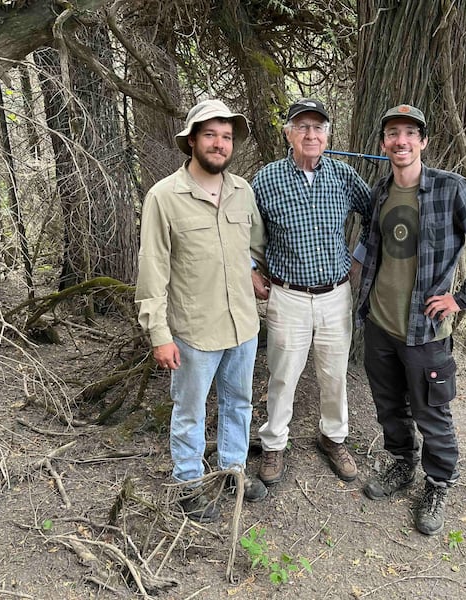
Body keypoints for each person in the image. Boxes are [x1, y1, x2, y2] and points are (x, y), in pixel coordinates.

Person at [356, 104, 466, 535]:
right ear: (383, 143)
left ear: (423, 141)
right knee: (389, 406)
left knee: (431, 411)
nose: (400, 141)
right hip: (380, 324)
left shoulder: (450, 189)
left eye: (409, 133)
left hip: (426, 331)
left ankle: (438, 484)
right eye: (392, 133)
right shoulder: (380, 192)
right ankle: (402, 463)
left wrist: (462, 298)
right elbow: (371, 248)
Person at [135, 99, 270, 523]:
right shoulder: (164, 197)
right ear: (191, 140)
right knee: (190, 411)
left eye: (226, 136)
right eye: (210, 134)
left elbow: (253, 245)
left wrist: (252, 271)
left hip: (243, 325)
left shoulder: (242, 191)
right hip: (193, 331)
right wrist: (159, 335)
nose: (219, 143)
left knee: (239, 403)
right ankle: (189, 483)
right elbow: (152, 270)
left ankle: (233, 471)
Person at [251, 98, 372, 485]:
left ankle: (333, 438)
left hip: (335, 295)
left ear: (327, 135)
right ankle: (273, 444)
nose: (311, 134)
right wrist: (251, 268)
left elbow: (375, 214)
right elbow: (242, 227)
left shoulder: (342, 175)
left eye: (318, 127)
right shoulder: (266, 179)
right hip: (287, 295)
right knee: (283, 375)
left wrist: (359, 257)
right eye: (302, 126)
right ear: (288, 133)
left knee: (334, 374)